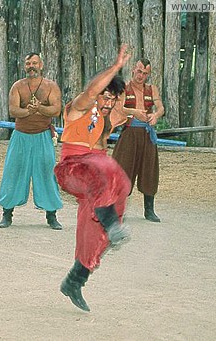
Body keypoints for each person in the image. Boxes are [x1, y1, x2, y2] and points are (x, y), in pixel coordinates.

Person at [54, 45, 132, 312]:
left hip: (93, 178)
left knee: (119, 186)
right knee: (102, 169)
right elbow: (91, 92)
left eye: (113, 99)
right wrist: (116, 67)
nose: (108, 103)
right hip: (72, 168)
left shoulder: (104, 123)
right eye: (106, 97)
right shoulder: (79, 107)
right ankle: (111, 223)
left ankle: (76, 278)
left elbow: (104, 153)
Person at [0, 53, 64, 230]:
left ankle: (52, 216)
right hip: (21, 136)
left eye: (34, 63)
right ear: (24, 66)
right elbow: (13, 110)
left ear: (41, 65)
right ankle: (7, 213)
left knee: (47, 173)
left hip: (43, 136)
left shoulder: (51, 86)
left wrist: (39, 108)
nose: (31, 66)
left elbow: (56, 110)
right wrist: (31, 111)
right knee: (13, 172)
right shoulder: (17, 87)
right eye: (28, 63)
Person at [111, 58, 165, 222]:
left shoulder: (151, 89)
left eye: (145, 73)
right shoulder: (124, 88)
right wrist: (135, 112)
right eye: (139, 71)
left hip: (147, 134)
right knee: (123, 168)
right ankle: (116, 210)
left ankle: (149, 210)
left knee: (149, 169)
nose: (141, 76)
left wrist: (155, 115)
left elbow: (161, 107)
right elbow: (119, 107)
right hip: (130, 133)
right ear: (133, 69)